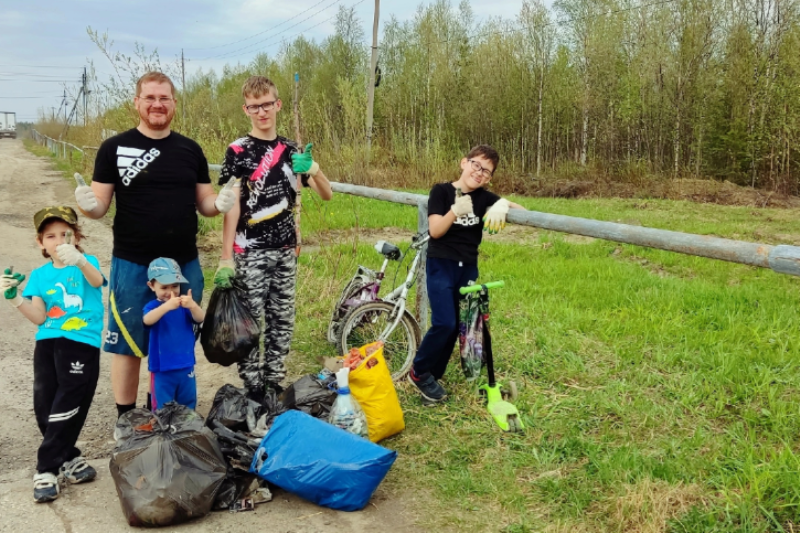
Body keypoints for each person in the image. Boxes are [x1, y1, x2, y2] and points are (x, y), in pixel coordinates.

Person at [73, 72, 237, 418]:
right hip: (132, 263)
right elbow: (98, 207)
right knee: (128, 343)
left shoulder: (190, 150)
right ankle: (126, 418)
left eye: (164, 98)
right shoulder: (113, 148)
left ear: (174, 103)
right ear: (137, 102)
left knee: (178, 338)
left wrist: (220, 203)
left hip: (183, 265)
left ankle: (171, 412)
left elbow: (205, 203)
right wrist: (87, 206)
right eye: (150, 97)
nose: (157, 104)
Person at [213, 75, 333, 400]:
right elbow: (231, 206)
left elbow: (327, 195)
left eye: (267, 104)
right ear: (246, 109)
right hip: (249, 252)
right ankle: (253, 390)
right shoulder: (238, 150)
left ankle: (273, 386)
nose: (262, 111)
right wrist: (226, 257)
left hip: (285, 251)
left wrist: (314, 169)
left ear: (277, 104)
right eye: (255, 106)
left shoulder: (292, 151)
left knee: (282, 322)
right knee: (249, 324)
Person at [0, 206, 106, 502]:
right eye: (51, 235)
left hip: (80, 341)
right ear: (40, 242)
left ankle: (46, 469)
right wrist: (15, 299)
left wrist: (82, 261)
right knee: (45, 403)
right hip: (47, 342)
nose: (59, 240)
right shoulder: (39, 275)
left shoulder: (89, 263)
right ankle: (69, 456)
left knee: (70, 401)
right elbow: (38, 315)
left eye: (65, 234)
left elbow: (97, 281)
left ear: (76, 236)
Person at [407, 145, 523, 405]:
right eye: (476, 165)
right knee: (444, 323)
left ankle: (432, 378)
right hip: (441, 264)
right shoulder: (441, 191)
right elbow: (435, 231)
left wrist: (502, 204)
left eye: (487, 172)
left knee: (458, 325)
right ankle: (418, 371)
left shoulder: (485, 198)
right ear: (464, 163)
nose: (480, 173)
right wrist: (455, 211)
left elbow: (524, 211)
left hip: (468, 268)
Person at [143, 258, 204, 411]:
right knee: (162, 405)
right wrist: (166, 307)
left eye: (175, 286)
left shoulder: (183, 306)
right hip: (162, 368)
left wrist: (193, 306)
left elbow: (200, 318)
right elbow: (147, 320)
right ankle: (163, 430)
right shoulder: (153, 306)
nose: (171, 292)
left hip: (186, 364)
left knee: (188, 400)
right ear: (151, 286)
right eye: (164, 287)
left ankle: (185, 427)